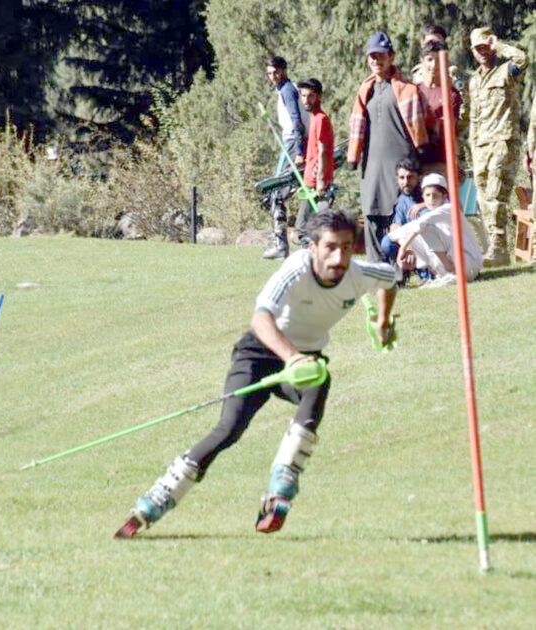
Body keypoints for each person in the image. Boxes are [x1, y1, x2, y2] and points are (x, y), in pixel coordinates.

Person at [115, 211, 398, 538]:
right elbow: (261, 318)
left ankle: (283, 483)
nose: (339, 258)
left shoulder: (358, 273)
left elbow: (390, 280)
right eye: (331, 247)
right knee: (230, 428)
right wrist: (292, 358)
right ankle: (157, 499)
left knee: (319, 378)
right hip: (259, 354)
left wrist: (383, 320)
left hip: (305, 361)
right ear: (313, 247)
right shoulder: (295, 269)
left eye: (347, 248)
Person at [347, 31, 430, 263]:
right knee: (372, 214)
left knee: (399, 214)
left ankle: (401, 268)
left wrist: (422, 151)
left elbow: (423, 125)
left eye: (381, 55)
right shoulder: (365, 90)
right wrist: (353, 156)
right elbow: (357, 128)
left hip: (400, 164)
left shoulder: (407, 89)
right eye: (372, 56)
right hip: (371, 164)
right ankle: (376, 268)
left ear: (391, 57)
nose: (376, 60)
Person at [468, 26, 527, 267]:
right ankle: (495, 246)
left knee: (495, 194)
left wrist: (499, 45)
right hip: (481, 145)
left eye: (485, 47)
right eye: (478, 49)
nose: (482, 52)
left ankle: (499, 246)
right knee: (483, 197)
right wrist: (472, 146)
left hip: (503, 141)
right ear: (472, 51)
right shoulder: (474, 81)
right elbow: (473, 117)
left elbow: (522, 60)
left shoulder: (506, 72)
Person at [393, 173, 484, 287]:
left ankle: (450, 272)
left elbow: (422, 223)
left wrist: (402, 249)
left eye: (435, 195)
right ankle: (444, 273)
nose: (431, 199)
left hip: (467, 264)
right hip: (451, 264)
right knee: (412, 233)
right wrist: (407, 247)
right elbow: (397, 234)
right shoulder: (431, 214)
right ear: (423, 197)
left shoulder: (449, 208)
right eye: (427, 195)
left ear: (444, 196)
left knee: (424, 228)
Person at [263, 56, 309, 259]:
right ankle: (289, 240)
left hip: (293, 142)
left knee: (276, 191)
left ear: (284, 70)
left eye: (276, 72)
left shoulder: (288, 90)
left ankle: (281, 243)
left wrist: (298, 151)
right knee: (284, 190)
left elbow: (296, 121)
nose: (273, 76)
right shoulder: (286, 90)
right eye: (269, 73)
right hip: (291, 141)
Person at [293, 78, 335, 248]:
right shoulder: (314, 118)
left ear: (319, 96)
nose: (306, 100)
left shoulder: (321, 119)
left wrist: (320, 181)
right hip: (310, 179)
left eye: (310, 96)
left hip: (316, 183)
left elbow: (323, 152)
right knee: (307, 227)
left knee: (306, 228)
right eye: (303, 96)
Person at [416, 40, 463, 176]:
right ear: (422, 61)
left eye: (438, 60)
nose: (434, 65)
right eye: (429, 60)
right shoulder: (414, 91)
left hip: (441, 161)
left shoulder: (451, 94)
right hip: (417, 160)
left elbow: (448, 128)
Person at [380, 158, 423, 263]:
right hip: (410, 241)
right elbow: (397, 227)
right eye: (402, 178)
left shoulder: (428, 195)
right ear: (397, 179)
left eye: (410, 177)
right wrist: (406, 246)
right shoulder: (402, 200)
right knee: (387, 244)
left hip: (430, 240)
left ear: (418, 178)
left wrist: (424, 204)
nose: (406, 182)